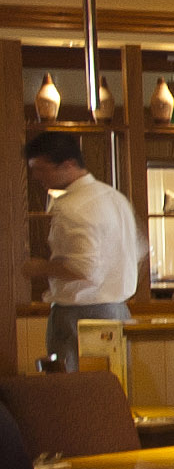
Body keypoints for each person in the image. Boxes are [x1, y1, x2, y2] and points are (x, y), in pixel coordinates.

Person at [23, 131, 142, 371]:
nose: (36, 176)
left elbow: (83, 269)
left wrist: (39, 267)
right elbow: (139, 250)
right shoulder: (115, 198)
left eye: (41, 169)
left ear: (68, 165)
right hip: (119, 313)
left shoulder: (73, 206)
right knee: (114, 388)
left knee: (74, 390)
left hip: (79, 319)